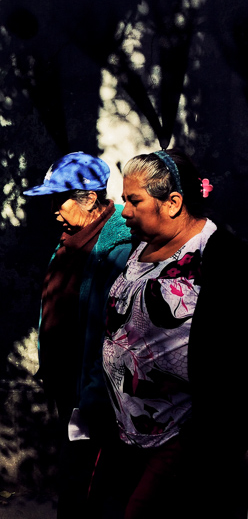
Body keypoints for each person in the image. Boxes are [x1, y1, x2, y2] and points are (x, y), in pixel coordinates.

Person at [93, 148, 248, 519]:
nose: (123, 211)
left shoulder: (225, 260)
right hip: (126, 432)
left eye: (134, 201)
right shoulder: (142, 246)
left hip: (183, 438)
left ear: (173, 202)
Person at [24, 151, 133, 519]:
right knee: (74, 473)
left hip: (93, 395)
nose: (53, 210)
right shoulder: (72, 238)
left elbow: (111, 331)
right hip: (66, 384)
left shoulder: (114, 251)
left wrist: (93, 395)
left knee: (90, 485)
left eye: (59, 199)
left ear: (89, 200)